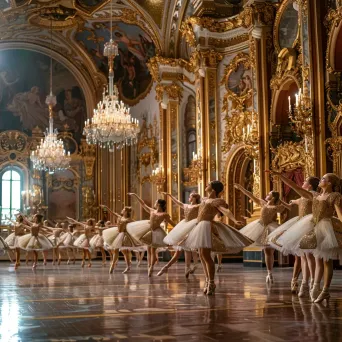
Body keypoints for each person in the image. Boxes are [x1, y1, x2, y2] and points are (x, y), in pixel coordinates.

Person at [275, 173, 342, 303]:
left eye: (323, 178)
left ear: (329, 183)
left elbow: (340, 214)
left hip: (327, 227)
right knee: (317, 258)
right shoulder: (315, 195)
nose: (321, 180)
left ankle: (325, 290)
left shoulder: (335, 196)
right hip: (313, 225)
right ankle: (315, 287)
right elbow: (296, 187)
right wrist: (280, 176)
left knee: (326, 260)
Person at [179, 181, 252, 295]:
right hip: (199, 226)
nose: (206, 186)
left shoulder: (215, 201)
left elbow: (225, 210)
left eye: (208, 185)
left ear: (213, 189)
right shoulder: (203, 199)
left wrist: (233, 220)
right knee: (202, 256)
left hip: (207, 226)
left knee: (206, 256)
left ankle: (212, 282)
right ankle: (207, 280)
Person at [267, 172, 319, 297]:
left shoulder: (311, 194)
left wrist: (281, 177)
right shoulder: (303, 196)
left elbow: (295, 187)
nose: (303, 183)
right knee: (303, 256)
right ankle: (304, 283)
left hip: (308, 225)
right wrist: (289, 202)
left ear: (310, 186)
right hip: (301, 223)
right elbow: (294, 202)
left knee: (309, 255)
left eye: (305, 181)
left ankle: (312, 283)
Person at [235, 184, 286, 284]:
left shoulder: (277, 207)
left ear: (274, 197)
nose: (267, 195)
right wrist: (241, 188)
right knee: (267, 251)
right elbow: (250, 195)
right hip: (260, 226)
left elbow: (284, 212)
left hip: (271, 228)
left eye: (269, 194)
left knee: (269, 251)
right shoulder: (263, 203)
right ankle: (269, 273)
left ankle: (270, 273)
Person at [127, 194, 176, 277]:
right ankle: (149, 266)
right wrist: (135, 195)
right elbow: (143, 204)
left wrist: (180, 229)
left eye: (156, 202)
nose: (154, 203)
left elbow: (172, 223)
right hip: (149, 231)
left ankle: (151, 267)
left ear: (159, 204)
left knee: (152, 251)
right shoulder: (152, 211)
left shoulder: (164, 214)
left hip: (157, 233)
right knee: (149, 250)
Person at [157, 192, 200, 278]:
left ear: (195, 198)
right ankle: (188, 267)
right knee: (186, 248)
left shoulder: (198, 206)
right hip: (185, 226)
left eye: (191, 196)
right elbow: (178, 202)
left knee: (189, 247)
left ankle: (193, 265)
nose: (189, 198)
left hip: (193, 226)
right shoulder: (186, 206)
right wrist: (170, 196)